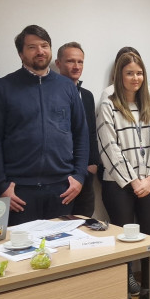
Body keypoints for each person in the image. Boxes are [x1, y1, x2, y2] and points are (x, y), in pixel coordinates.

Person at [0, 25, 89, 226]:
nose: (40, 51)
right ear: (21, 53)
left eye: (44, 45)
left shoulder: (67, 86)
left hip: (62, 188)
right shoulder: (4, 88)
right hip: (19, 191)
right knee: (22, 254)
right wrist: (1, 185)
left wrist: (79, 176)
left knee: (61, 252)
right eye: (32, 47)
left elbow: (81, 134)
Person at [97, 52, 150, 299]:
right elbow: (108, 144)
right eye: (129, 73)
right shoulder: (108, 98)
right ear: (119, 74)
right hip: (119, 184)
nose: (135, 78)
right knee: (123, 243)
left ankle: (149, 296)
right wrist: (132, 179)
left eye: (139, 73)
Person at [54, 42, 99, 218]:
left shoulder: (86, 95)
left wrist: (93, 162)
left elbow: (91, 130)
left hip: (85, 169)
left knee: (85, 218)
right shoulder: (52, 93)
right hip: (61, 170)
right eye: (71, 61)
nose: (76, 66)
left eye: (80, 62)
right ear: (58, 63)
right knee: (61, 221)